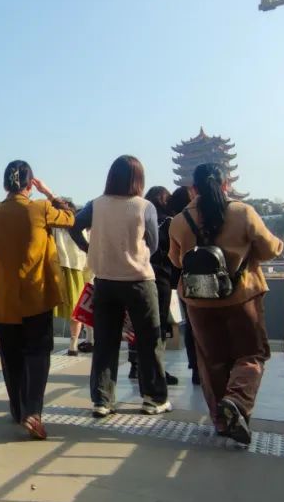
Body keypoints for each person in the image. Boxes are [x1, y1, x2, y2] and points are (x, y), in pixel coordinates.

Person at [168, 163, 283, 445]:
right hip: (241, 296)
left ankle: (221, 421)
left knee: (212, 362)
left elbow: (176, 260)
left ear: (193, 189)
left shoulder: (180, 220)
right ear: (226, 184)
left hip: (198, 301)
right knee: (252, 354)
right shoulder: (243, 212)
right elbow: (269, 249)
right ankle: (237, 401)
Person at [0, 160, 75, 440]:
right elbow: (71, 218)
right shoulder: (41, 208)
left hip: (5, 299)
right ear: (30, 183)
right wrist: (49, 193)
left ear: (5, 184)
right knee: (37, 354)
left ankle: (17, 409)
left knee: (11, 357)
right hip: (37, 296)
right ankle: (32, 411)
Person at [70, 155, 171, 418]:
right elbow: (154, 243)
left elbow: (74, 226)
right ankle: (154, 398)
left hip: (105, 281)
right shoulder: (144, 206)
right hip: (139, 281)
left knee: (105, 343)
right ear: (138, 179)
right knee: (149, 341)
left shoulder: (96, 205)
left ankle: (102, 400)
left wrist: (88, 247)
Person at [126, 187, 178, 385]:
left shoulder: (137, 219)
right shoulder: (169, 221)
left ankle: (135, 365)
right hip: (160, 276)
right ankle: (157, 369)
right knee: (158, 324)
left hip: (136, 274)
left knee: (136, 322)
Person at [167, 186, 199, 385]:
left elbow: (174, 258)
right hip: (216, 278)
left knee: (192, 323)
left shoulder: (176, 223)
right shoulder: (205, 216)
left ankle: (196, 367)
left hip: (187, 279)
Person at [53, 209, 94, 357]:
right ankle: (76, 343)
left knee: (70, 309)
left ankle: (79, 342)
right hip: (79, 269)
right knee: (80, 309)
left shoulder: (55, 228)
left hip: (58, 268)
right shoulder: (83, 230)